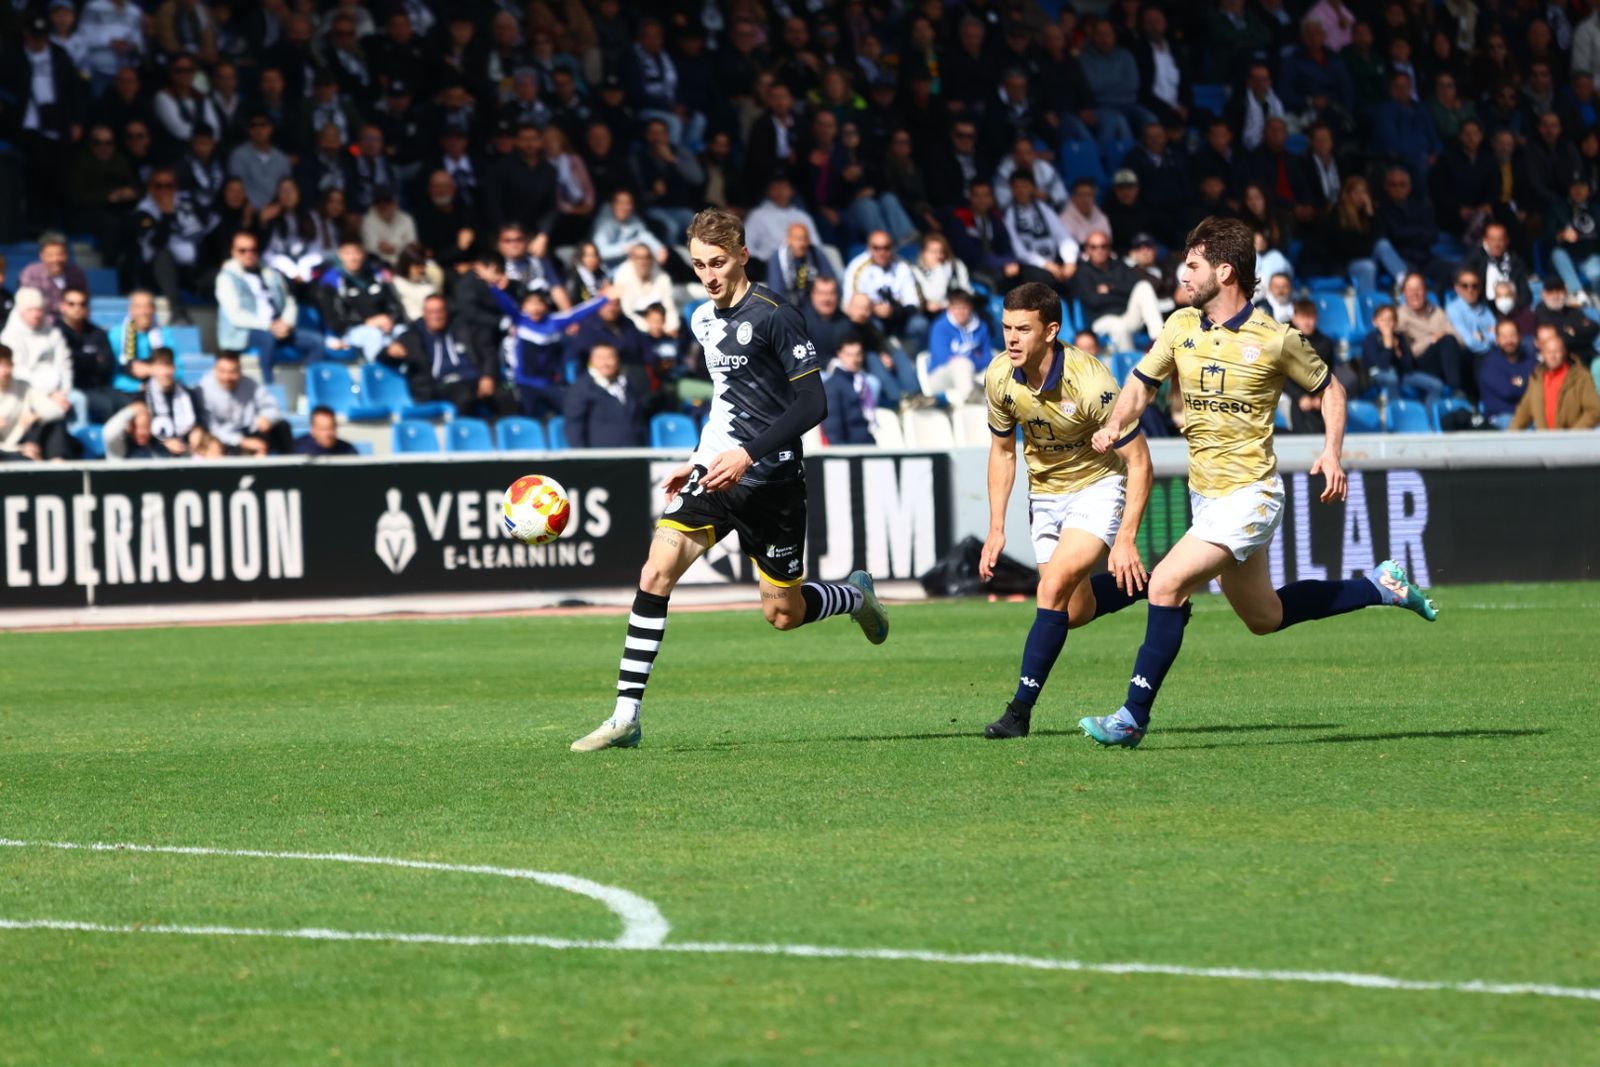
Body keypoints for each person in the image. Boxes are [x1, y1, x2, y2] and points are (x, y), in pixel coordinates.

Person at [1080, 216, 1437, 749]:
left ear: (1225, 271)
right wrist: (1113, 424)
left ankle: (1132, 717)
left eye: (1194, 264)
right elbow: (1140, 386)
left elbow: (1332, 390)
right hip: (1208, 498)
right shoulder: (1180, 326)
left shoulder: (1275, 338)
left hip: (1251, 495)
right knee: (1265, 617)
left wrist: (1332, 453)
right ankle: (1381, 586)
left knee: (1165, 584)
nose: (1183, 273)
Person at [570, 208, 890, 753]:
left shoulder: (775, 315)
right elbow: (726, 398)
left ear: (742, 255)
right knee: (655, 571)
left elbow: (814, 403)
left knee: (782, 615)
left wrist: (749, 454)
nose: (709, 275)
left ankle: (853, 596)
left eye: (717, 262)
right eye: (698, 265)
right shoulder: (702, 318)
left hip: (772, 483)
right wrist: (699, 457)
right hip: (717, 474)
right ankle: (626, 716)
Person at [978, 281, 1154, 740]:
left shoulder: (1092, 384)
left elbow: (1140, 462)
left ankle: (1018, 713)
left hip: (1098, 486)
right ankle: (1156, 589)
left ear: (1051, 330)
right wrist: (996, 527)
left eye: (1023, 329)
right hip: (1045, 494)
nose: (1011, 338)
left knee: (1051, 588)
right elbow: (1002, 452)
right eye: (1005, 328)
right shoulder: (999, 376)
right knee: (1073, 611)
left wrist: (1126, 538)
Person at [388, 294, 517, 421]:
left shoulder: (464, 328)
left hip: (475, 380)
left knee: (506, 396)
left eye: (439, 311)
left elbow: (488, 353)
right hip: (440, 386)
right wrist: (390, 352)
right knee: (464, 399)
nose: (436, 316)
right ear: (424, 313)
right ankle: (469, 438)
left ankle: (511, 437)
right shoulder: (413, 335)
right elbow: (384, 358)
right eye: (431, 312)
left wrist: (488, 376)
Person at [215, 232, 298, 383]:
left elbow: (289, 301)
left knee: (316, 343)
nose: (249, 254)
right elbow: (236, 316)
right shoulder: (226, 278)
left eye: (253, 250)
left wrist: (287, 323)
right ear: (233, 252)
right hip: (244, 332)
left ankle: (310, 389)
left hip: (277, 326)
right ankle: (269, 387)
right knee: (268, 339)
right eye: (242, 250)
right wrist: (269, 326)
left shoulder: (271, 273)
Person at [1070, 231, 1164, 350]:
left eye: (1103, 246)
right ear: (1087, 250)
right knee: (1118, 326)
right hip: (1102, 321)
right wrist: (1122, 294)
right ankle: (1129, 365)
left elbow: (1136, 285)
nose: (1099, 250)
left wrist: (1111, 288)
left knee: (1144, 286)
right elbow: (1094, 301)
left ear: (1109, 248)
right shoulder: (1082, 272)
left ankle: (1159, 342)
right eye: (1094, 247)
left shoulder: (1119, 265)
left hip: (1127, 316)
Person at [319, 240, 408, 361]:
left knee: (404, 332)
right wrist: (366, 321)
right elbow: (334, 319)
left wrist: (390, 319)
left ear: (364, 254)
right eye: (348, 253)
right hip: (351, 331)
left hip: (385, 327)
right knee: (373, 335)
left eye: (357, 253)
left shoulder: (376, 276)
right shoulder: (332, 280)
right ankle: (377, 374)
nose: (353, 258)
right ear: (340, 255)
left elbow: (394, 305)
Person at [56, 288, 129, 424]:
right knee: (106, 406)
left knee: (129, 405)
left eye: (82, 304)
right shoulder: (56, 332)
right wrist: (92, 359)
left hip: (100, 386)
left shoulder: (97, 332)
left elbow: (108, 365)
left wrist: (80, 359)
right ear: (62, 306)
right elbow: (68, 365)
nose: (77, 308)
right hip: (73, 388)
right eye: (72, 304)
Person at [199, 350, 292, 455]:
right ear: (215, 369)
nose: (227, 377)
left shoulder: (250, 384)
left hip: (250, 430)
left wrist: (267, 418)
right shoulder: (204, 389)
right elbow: (212, 428)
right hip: (225, 438)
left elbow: (271, 406)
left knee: (282, 427)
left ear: (240, 370)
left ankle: (292, 466)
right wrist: (241, 441)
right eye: (222, 371)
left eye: (232, 372)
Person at [1510, 327, 1600, 430]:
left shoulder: (1580, 377)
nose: (1553, 356)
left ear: (1564, 353)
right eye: (1549, 352)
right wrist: (1510, 436)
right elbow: (1524, 411)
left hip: (1573, 442)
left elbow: (1595, 410)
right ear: (1543, 354)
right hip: (1545, 441)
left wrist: (1574, 434)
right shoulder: (1537, 378)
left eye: (1557, 351)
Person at [563, 342, 648, 448]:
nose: (605, 363)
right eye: (600, 358)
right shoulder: (581, 389)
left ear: (617, 360)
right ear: (591, 361)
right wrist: (581, 457)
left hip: (636, 453)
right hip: (602, 457)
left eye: (609, 357)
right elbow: (574, 425)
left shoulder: (630, 384)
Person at [1363, 302, 1445, 407]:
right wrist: (1388, 346)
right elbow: (1382, 365)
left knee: (1436, 385)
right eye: (1383, 320)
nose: (1387, 323)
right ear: (1375, 322)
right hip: (1377, 373)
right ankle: (1394, 411)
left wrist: (1397, 351)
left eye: (1391, 320)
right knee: (1391, 377)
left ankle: (1429, 416)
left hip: (1401, 374)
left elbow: (1409, 365)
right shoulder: (1371, 338)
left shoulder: (1400, 337)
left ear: (1395, 322)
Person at [924, 291, 991, 405]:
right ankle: (970, 405)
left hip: (974, 372)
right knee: (963, 365)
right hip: (941, 375)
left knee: (995, 372)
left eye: (964, 308)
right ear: (949, 309)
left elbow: (987, 358)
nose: (960, 312)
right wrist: (973, 358)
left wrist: (970, 360)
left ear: (970, 308)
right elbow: (943, 358)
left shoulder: (981, 326)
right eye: (956, 308)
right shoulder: (940, 326)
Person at [18, 236, 90, 323]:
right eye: (50, 255)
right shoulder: (31, 274)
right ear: (42, 256)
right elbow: (28, 306)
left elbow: (84, 303)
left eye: (60, 254)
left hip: (71, 324)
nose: (55, 259)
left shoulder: (76, 274)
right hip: (41, 325)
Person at [1479, 321, 1538, 428]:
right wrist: (1525, 382)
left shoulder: (1529, 359)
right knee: (1526, 431)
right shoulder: (1490, 364)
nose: (1509, 341)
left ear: (1520, 337)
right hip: (1500, 416)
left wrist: (1517, 381)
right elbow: (1508, 391)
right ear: (1497, 339)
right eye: (1504, 337)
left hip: (1529, 414)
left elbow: (1538, 386)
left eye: (1513, 335)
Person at [820, 336, 877, 445]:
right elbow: (833, 426)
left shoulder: (862, 383)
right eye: (849, 354)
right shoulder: (832, 385)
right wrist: (841, 456)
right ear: (840, 354)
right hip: (850, 451)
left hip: (866, 445)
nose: (855, 359)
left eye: (858, 354)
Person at [767, 222, 834, 305]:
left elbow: (830, 280)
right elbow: (776, 291)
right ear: (788, 240)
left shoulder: (815, 253)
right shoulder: (778, 257)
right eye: (797, 239)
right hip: (787, 304)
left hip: (814, 305)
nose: (802, 243)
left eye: (805, 239)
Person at [293, 404, 358, 456]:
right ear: (313, 430)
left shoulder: (347, 450)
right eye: (323, 429)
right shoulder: (298, 449)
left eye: (331, 428)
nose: (328, 434)